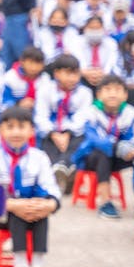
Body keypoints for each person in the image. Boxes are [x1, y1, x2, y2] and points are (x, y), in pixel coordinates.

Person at [0, 107, 61, 267]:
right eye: (10, 127)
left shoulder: (39, 157)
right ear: (0, 130)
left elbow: (50, 185)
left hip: (32, 211)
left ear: (31, 131)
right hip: (1, 214)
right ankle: (20, 265)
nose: (16, 132)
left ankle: (38, 265)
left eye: (21, 127)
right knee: (18, 211)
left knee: (38, 211)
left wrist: (49, 204)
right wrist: (14, 205)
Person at [72, 75, 134, 219]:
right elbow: (93, 139)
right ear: (99, 94)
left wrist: (130, 149)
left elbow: (133, 138)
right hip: (90, 156)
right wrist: (117, 146)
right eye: (107, 90)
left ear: (125, 95)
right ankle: (105, 203)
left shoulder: (130, 112)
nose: (113, 94)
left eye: (117, 90)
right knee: (102, 154)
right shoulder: (91, 112)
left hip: (119, 156)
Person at [33, 54, 92, 194]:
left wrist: (67, 132)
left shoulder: (85, 92)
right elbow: (41, 115)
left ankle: (65, 168)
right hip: (50, 132)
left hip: (74, 132)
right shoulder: (45, 89)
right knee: (47, 144)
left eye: (75, 73)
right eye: (67, 73)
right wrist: (53, 133)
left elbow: (82, 116)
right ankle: (57, 171)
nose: (72, 78)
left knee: (78, 142)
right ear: (56, 73)